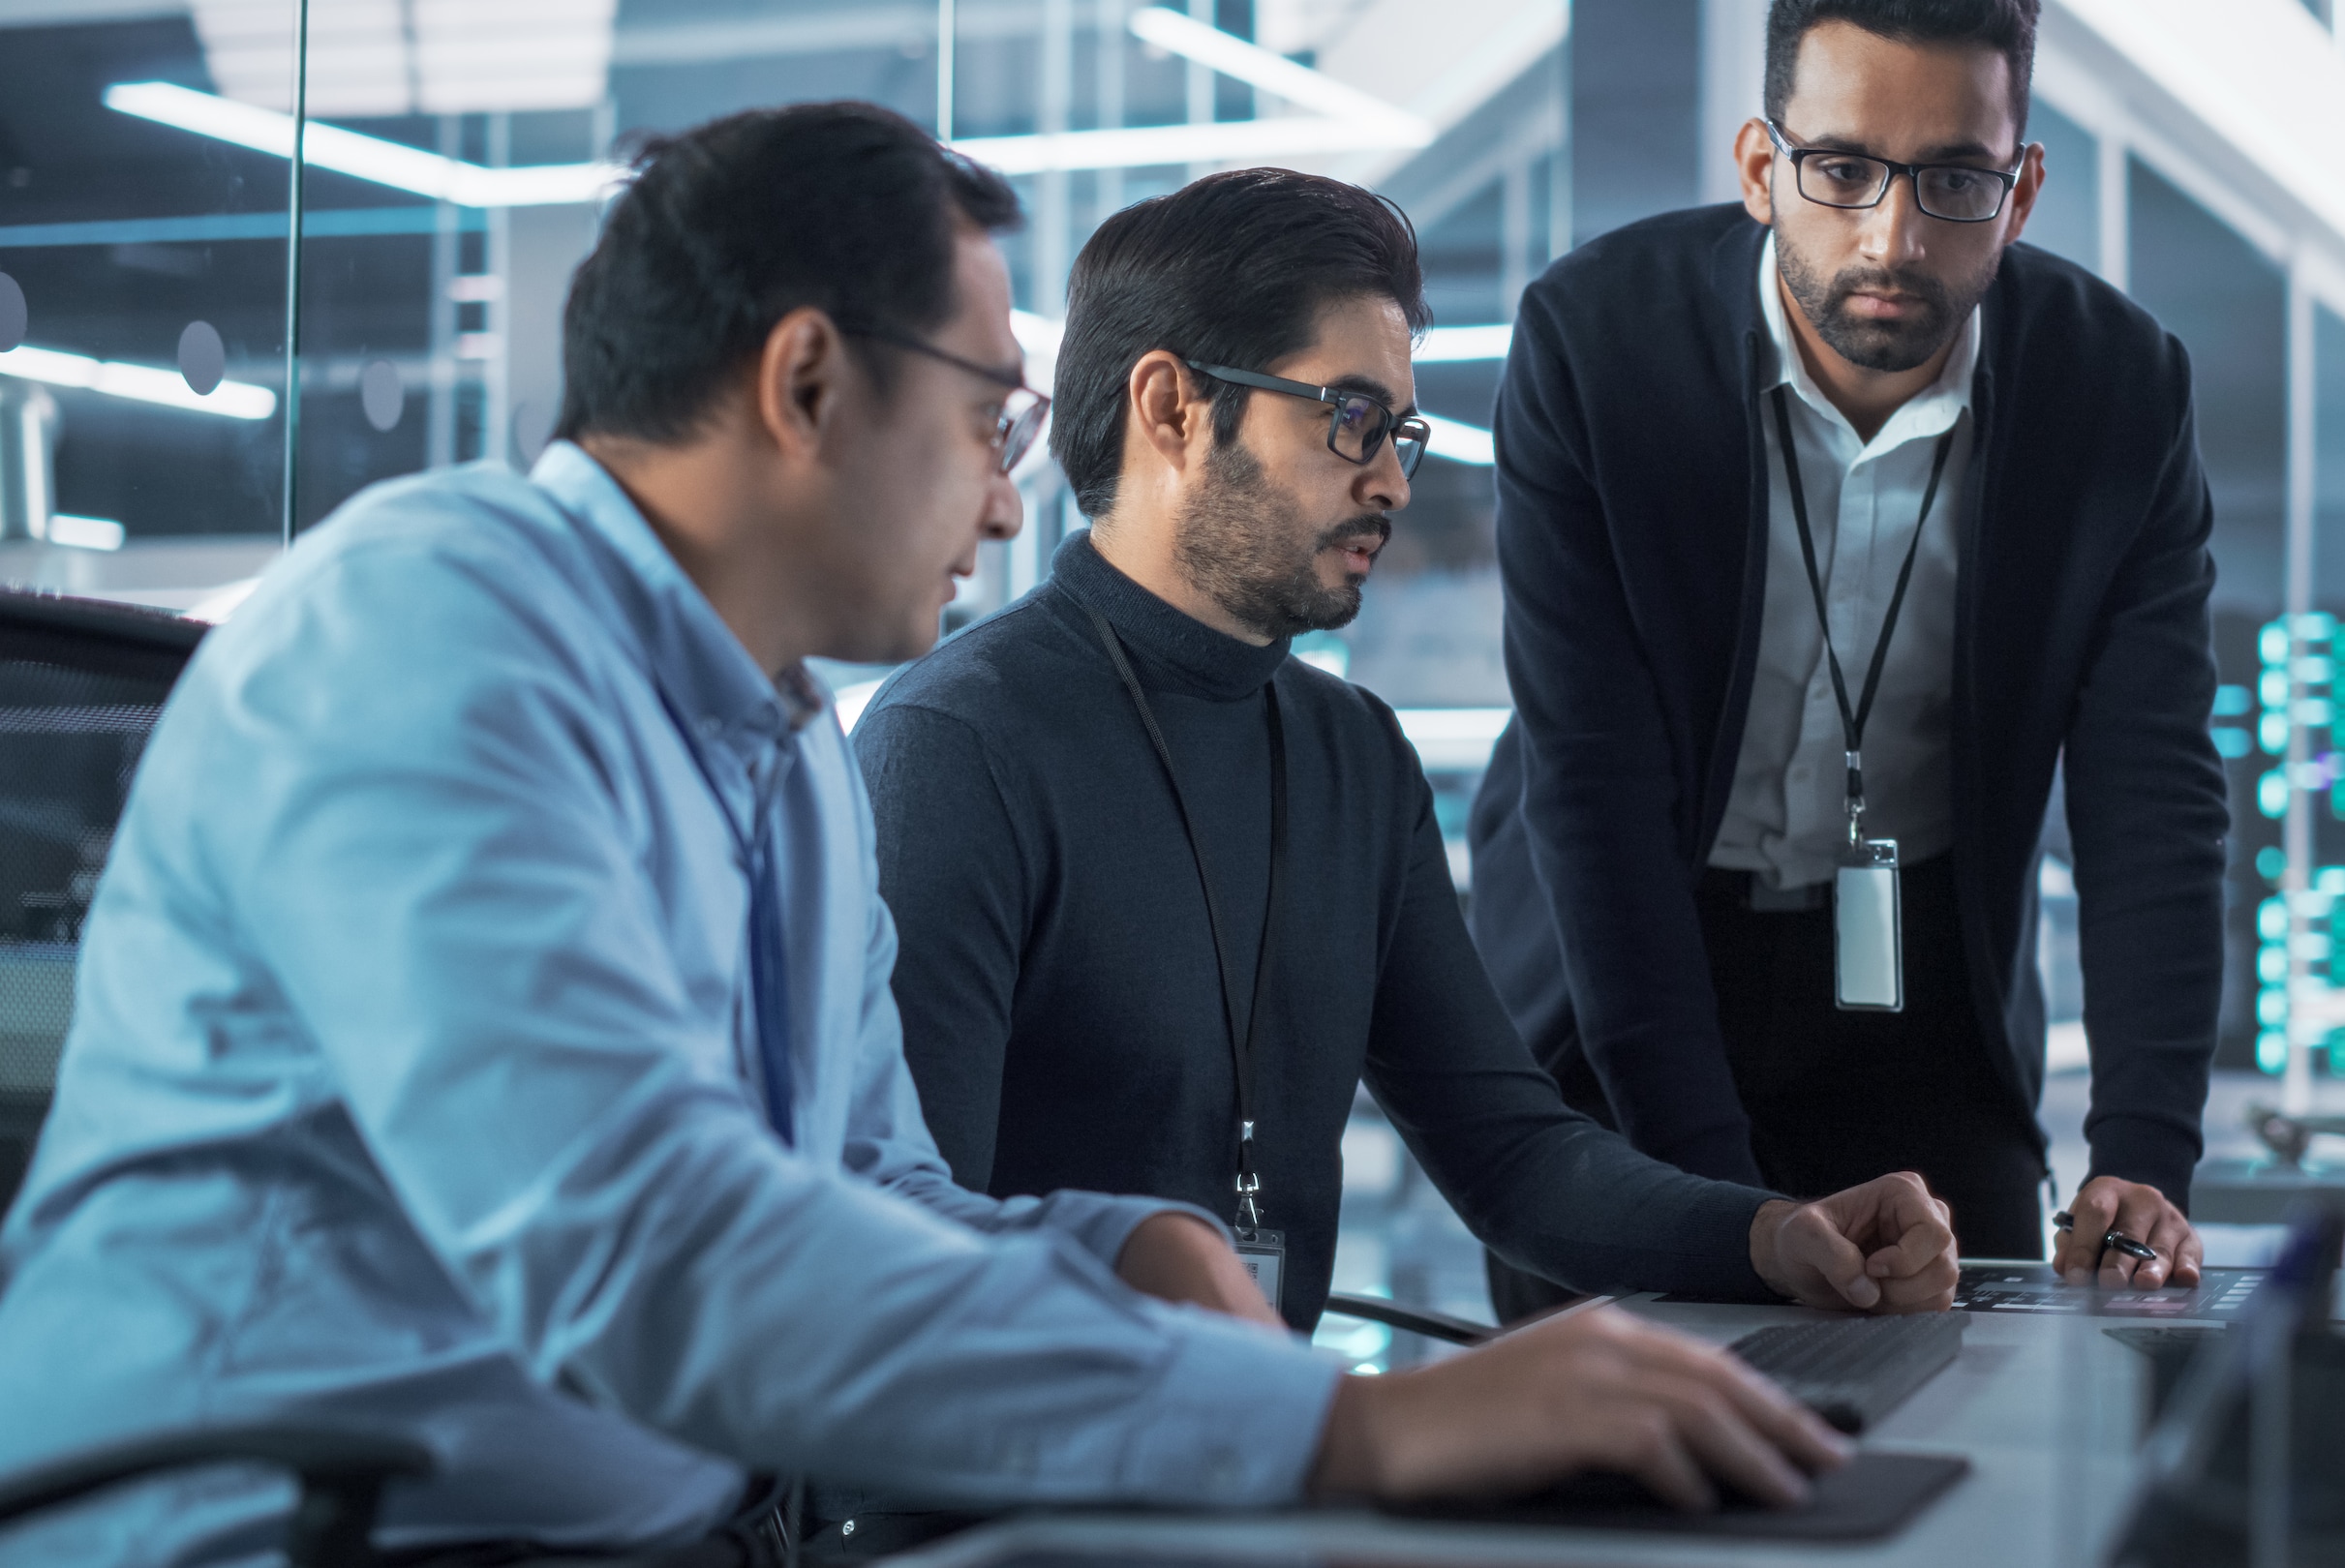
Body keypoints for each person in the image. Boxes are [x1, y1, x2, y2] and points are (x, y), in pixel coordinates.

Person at [0, 106, 1853, 1566]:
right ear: (808, 384)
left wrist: (1115, 1244)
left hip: (636, 1526)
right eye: (986, 412)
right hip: (298, 1528)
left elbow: (869, 1188)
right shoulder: (428, 643)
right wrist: (1341, 1428)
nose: (1010, 478)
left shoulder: (786, 742)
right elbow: (648, 1254)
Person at [853, 167, 1961, 1346]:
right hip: (1005, 1509)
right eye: (1349, 419)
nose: (1389, 480)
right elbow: (909, 1261)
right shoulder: (958, 749)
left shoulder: (1351, 756)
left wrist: (1773, 1235)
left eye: (1400, 434)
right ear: (1172, 407)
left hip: (1256, 1475)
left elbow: (1513, 1158)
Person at [1468, 0, 2226, 1314]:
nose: (1895, 235)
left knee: (1990, 1403)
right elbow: (1589, 791)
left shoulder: (2120, 392)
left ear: (2022, 188)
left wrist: (2144, 1156)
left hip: (1919, 994)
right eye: (1842, 171)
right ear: (1762, 168)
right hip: (1621, 973)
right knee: (1640, 1433)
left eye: (1953, 180)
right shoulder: (1596, 345)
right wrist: (1726, 1211)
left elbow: (2151, 796)